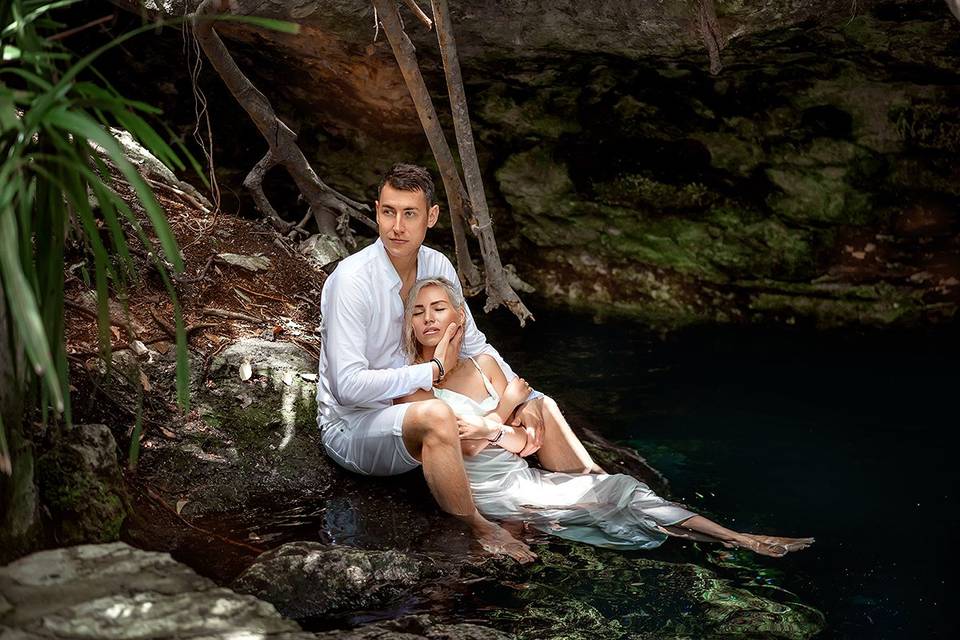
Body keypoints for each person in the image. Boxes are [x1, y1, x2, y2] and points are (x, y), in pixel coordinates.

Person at [395, 277, 816, 557]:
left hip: (522, 476)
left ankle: (737, 539)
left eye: (438, 308)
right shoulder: (412, 387)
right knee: (620, 495)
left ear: (459, 317)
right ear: (409, 324)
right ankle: (738, 540)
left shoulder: (485, 365)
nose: (429, 319)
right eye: (418, 312)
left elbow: (526, 443)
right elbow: (462, 445)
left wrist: (499, 428)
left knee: (623, 491)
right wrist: (500, 413)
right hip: (492, 496)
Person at [316, 163, 602, 563]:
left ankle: (601, 495)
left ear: (431, 217)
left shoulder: (437, 267)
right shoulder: (351, 281)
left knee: (540, 405)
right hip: (357, 425)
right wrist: (432, 371)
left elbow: (474, 345)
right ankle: (478, 527)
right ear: (377, 210)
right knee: (435, 414)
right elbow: (347, 388)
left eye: (410, 214)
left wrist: (524, 398)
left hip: (415, 405)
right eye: (388, 212)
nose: (396, 226)